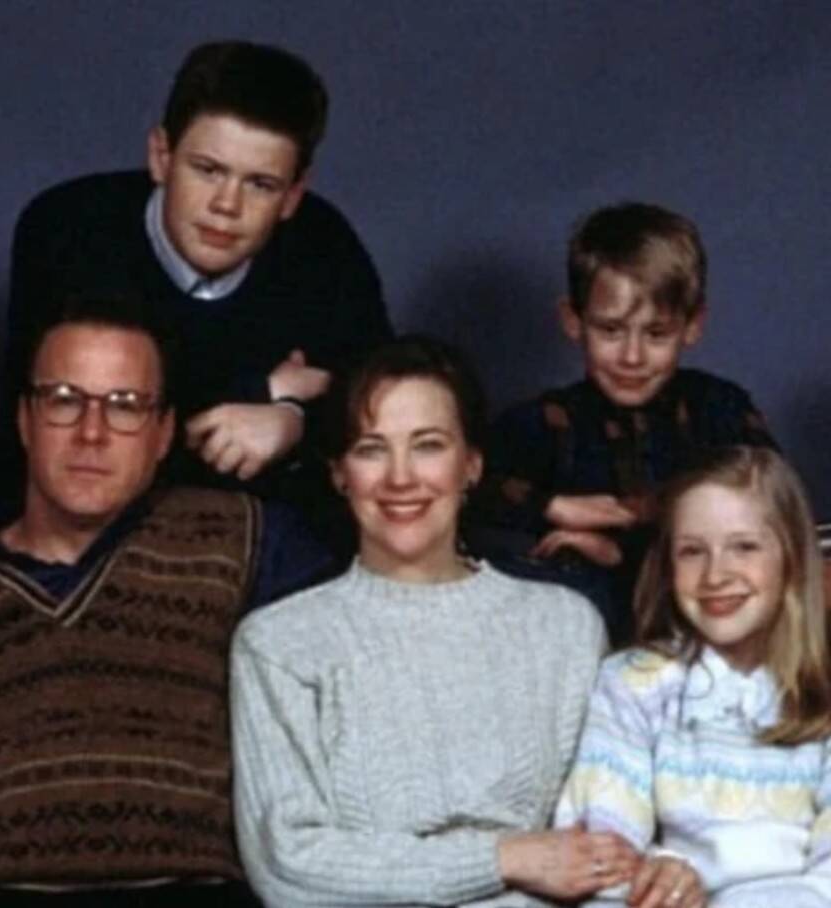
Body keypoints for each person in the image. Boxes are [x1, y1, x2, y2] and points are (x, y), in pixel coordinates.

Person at [0, 295, 334, 903]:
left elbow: (372, 645)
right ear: (24, 419)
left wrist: (291, 414)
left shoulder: (244, 540)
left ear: (164, 434)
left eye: (126, 406)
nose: (92, 433)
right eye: (64, 400)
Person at [230, 334, 635, 907]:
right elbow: (288, 869)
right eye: (371, 449)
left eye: (428, 446)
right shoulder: (279, 645)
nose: (400, 478)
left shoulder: (565, 629)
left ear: (472, 465)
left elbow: (606, 847)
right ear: (340, 473)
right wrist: (504, 858)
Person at [7, 40, 391, 540]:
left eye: (260, 184)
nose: (226, 206)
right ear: (161, 156)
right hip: (93, 531)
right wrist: (266, 391)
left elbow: (387, 407)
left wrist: (294, 422)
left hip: (262, 539)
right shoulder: (67, 231)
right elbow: (73, 428)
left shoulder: (325, 248)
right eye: (207, 170)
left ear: (293, 194)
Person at [472, 202, 776, 643]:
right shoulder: (543, 423)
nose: (632, 357)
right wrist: (553, 507)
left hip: (714, 644)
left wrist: (619, 553)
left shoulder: (719, 409)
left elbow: (771, 510)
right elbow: (462, 492)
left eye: (656, 334)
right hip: (587, 656)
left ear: (693, 325)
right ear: (573, 320)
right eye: (611, 330)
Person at [556, 445, 831, 907]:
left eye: (744, 547)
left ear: (791, 559)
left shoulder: (822, 686)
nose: (715, 575)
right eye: (692, 552)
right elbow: (596, 846)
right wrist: (656, 872)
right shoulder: (634, 682)